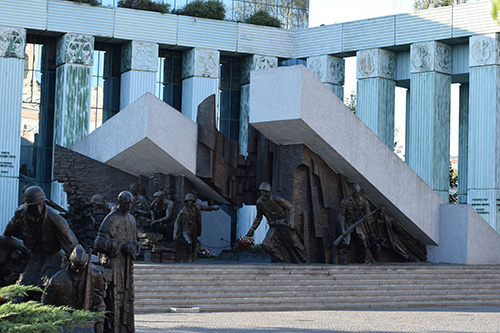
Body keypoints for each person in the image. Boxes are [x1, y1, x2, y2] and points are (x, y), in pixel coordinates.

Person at [3, 186, 78, 298]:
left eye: (40, 203)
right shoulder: (21, 215)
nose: (38, 208)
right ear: (27, 205)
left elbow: (72, 244)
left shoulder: (56, 220)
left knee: (46, 289)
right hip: (34, 255)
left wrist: (79, 263)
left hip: (53, 257)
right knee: (22, 288)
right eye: (34, 205)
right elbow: (8, 232)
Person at [94, 190, 139, 333]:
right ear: (120, 202)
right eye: (126, 202)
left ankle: (126, 329)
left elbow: (135, 242)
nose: (129, 205)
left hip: (127, 266)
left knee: (127, 298)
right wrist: (121, 247)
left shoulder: (131, 219)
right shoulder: (111, 218)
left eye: (131, 202)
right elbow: (98, 242)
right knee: (114, 299)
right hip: (113, 265)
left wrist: (135, 249)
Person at [42, 245, 105, 332]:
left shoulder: (94, 275)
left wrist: (96, 322)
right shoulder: (56, 280)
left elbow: (99, 302)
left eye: (81, 267)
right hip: (64, 325)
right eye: (75, 267)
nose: (78, 270)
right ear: (70, 262)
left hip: (86, 324)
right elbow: (45, 307)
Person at [245, 182, 307, 264]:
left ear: (268, 192)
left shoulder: (276, 199)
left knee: (295, 243)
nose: (262, 193)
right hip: (274, 226)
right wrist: (252, 229)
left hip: (284, 224)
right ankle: (281, 259)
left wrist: (290, 221)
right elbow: (258, 217)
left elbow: (291, 207)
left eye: (264, 191)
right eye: (261, 191)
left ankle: (306, 259)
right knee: (266, 244)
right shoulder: (259, 203)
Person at [173, 193, 219, 262]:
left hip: (194, 229)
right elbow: (177, 223)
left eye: (191, 201)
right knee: (189, 242)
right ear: (186, 202)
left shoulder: (197, 207)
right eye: (189, 201)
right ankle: (188, 256)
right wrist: (175, 233)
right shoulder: (182, 212)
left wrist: (214, 208)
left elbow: (206, 208)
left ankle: (192, 256)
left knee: (194, 244)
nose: (190, 203)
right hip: (186, 229)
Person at [337, 183, 376, 264]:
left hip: (358, 224)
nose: (356, 194)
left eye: (357, 192)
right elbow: (341, 216)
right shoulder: (345, 201)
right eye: (354, 192)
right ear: (352, 191)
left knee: (363, 242)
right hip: (348, 223)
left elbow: (367, 214)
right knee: (346, 242)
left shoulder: (364, 201)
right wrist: (343, 229)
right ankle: (341, 260)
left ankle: (362, 261)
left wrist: (366, 217)